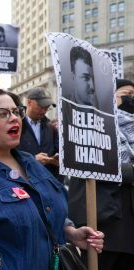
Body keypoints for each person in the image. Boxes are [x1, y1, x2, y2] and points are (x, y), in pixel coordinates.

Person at [0, 84, 104, 269]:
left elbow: (47, 206)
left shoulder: (31, 163)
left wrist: (70, 232)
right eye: (2, 113)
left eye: (16, 111)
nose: (14, 118)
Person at [68, 78, 134, 270]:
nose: (131, 99)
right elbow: (100, 166)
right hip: (103, 222)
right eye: (126, 95)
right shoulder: (94, 125)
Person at [18, 87, 62, 183]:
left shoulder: (51, 128)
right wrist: (33, 160)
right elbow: (8, 155)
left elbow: (59, 151)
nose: (44, 111)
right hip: (24, 184)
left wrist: (57, 160)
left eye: (47, 108)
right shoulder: (17, 126)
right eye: (41, 107)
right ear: (29, 103)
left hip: (48, 183)